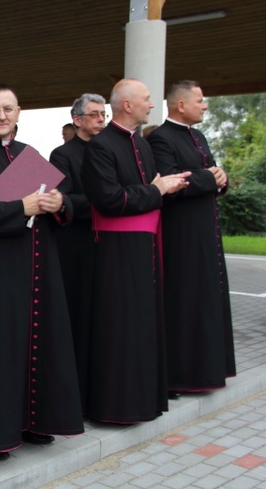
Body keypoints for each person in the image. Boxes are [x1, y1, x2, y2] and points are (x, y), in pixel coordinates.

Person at [0, 83, 84, 458]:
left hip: (39, 269)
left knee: (39, 345)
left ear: (18, 112)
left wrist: (59, 202)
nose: (1, 116)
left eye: (8, 109)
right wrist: (19, 207)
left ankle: (36, 422)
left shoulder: (30, 153)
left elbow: (59, 205)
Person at [80, 78, 190, 423]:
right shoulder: (101, 146)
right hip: (116, 252)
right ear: (127, 105)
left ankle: (144, 401)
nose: (152, 104)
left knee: (143, 324)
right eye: (146, 99)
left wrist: (166, 187)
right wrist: (156, 190)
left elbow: (147, 191)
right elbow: (110, 200)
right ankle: (115, 407)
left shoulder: (141, 144)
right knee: (120, 327)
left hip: (145, 248)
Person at [146, 80, 235, 394]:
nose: (205, 105)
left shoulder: (198, 136)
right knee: (186, 300)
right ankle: (183, 375)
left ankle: (209, 371)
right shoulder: (160, 138)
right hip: (181, 235)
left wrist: (220, 178)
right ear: (180, 105)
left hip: (205, 232)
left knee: (208, 299)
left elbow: (206, 174)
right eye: (200, 100)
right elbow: (171, 182)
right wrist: (209, 177)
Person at [49, 93, 106, 412]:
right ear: (78, 120)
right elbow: (64, 199)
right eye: (94, 115)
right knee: (78, 315)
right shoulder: (63, 154)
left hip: (108, 243)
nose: (100, 120)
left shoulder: (111, 149)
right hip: (76, 246)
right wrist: (107, 199)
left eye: (103, 115)